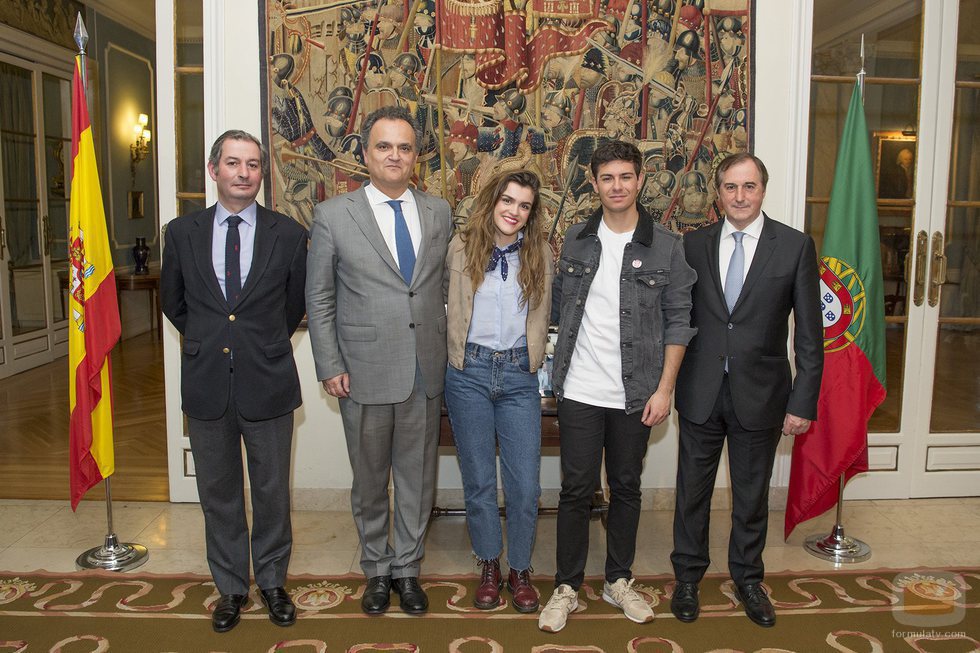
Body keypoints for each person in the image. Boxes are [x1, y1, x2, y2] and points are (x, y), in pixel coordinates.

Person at [538, 140, 697, 633]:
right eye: (607, 177)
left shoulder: (667, 245)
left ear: (641, 179)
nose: (617, 186)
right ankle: (567, 586)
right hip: (581, 389)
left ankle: (618, 580)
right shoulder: (576, 239)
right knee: (575, 489)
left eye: (626, 176)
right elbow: (560, 312)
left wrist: (664, 389)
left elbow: (678, 321)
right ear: (594, 182)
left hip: (637, 393)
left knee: (626, 486)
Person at [305, 106, 453, 615]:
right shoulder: (333, 214)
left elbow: (443, 290)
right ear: (365, 154)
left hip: (424, 370)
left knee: (417, 479)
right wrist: (328, 363)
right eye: (384, 146)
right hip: (362, 369)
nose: (395, 156)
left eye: (405, 147)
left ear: (417, 157)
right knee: (370, 480)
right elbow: (319, 298)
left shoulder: (439, 211)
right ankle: (375, 568)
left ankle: (408, 569)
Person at [161, 130, 308, 633]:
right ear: (213, 169)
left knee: (271, 492)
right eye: (233, 163)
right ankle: (229, 588)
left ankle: (271, 582)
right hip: (206, 385)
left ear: (261, 173)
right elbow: (174, 303)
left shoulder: (288, 234)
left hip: (267, 380)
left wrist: (259, 342)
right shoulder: (180, 233)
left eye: (252, 164)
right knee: (218, 492)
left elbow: (294, 306)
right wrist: (209, 340)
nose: (243, 173)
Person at [670, 152, 823, 628]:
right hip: (700, 389)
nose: (739, 196)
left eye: (749, 187)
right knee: (691, 492)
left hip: (763, 393)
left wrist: (803, 400)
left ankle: (749, 579)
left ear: (762, 190)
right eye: (731, 187)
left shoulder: (795, 247)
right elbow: (678, 318)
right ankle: (688, 578)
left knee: (752, 494)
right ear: (719, 193)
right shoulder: (692, 245)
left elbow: (809, 335)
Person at [443, 170, 554, 613]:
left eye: (524, 205)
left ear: (532, 212)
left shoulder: (540, 252)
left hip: (517, 376)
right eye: (507, 201)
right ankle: (489, 563)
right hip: (467, 371)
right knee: (479, 481)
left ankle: (520, 569)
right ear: (492, 201)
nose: (514, 211)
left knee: (525, 485)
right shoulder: (458, 246)